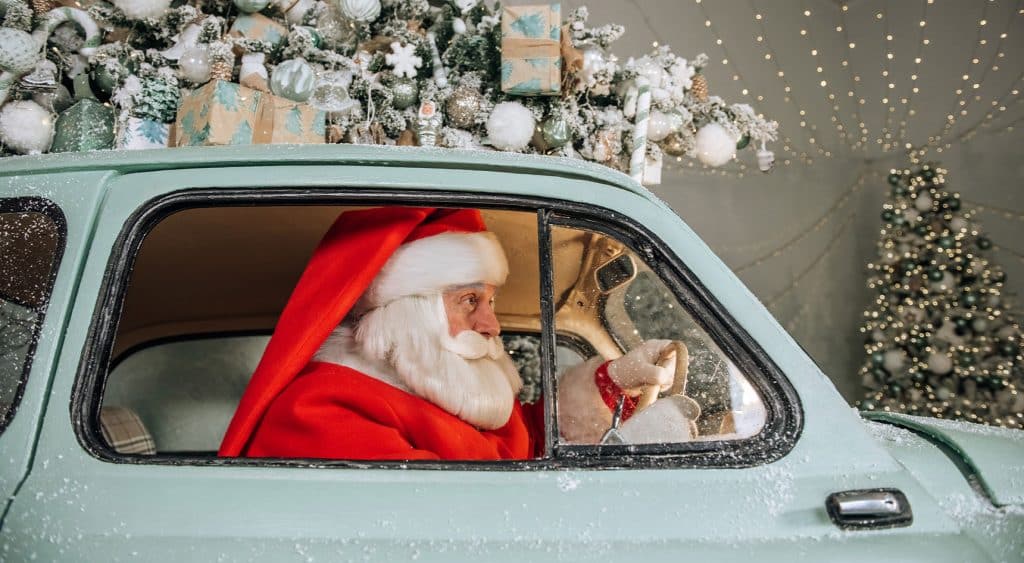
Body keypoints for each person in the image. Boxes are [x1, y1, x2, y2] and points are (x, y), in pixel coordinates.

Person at [218, 207, 687, 461]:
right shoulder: (321, 410)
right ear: (412, 311)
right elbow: (449, 524)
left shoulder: (440, 391)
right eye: (470, 302)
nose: (491, 325)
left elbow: (523, 444)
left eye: (491, 302)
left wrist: (610, 384)